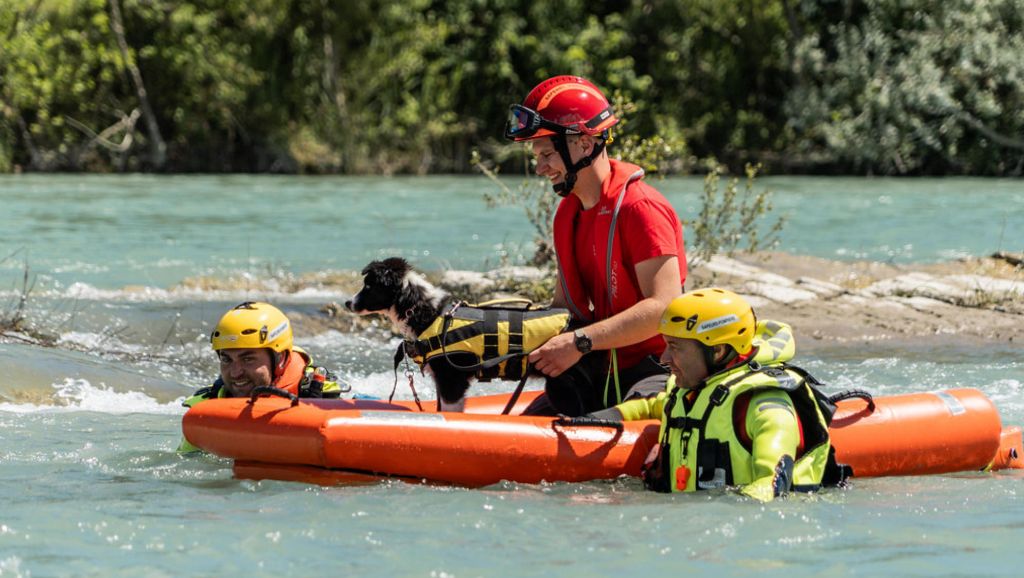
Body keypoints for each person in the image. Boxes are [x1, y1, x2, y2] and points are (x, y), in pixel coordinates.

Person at [504, 75, 687, 416]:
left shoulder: (640, 208)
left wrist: (579, 343)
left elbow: (665, 307)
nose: (540, 168)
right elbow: (563, 309)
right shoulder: (567, 213)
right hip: (598, 369)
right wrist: (498, 343)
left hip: (659, 370)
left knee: (591, 427)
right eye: (537, 157)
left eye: (547, 154)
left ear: (585, 144)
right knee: (531, 424)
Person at [582, 288, 836, 502]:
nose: (663, 358)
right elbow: (655, 406)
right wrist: (599, 418)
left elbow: (769, 484)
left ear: (717, 351)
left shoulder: (766, 405)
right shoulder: (689, 390)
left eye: (675, 347)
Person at [177, 301, 348, 452]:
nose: (236, 372)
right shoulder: (207, 406)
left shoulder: (325, 396)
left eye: (248, 359)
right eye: (226, 359)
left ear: (280, 359)